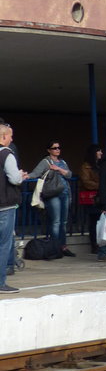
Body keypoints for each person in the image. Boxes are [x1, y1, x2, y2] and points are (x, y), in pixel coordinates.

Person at [29, 141, 74, 256]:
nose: (57, 150)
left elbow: (69, 174)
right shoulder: (46, 162)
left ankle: (63, 247)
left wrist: (58, 169)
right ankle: (54, 248)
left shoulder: (62, 162)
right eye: (54, 148)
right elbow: (35, 173)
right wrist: (25, 176)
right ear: (49, 150)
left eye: (59, 148)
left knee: (63, 222)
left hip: (65, 193)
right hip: (53, 193)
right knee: (56, 221)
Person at [0, 122, 28, 293]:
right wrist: (21, 176)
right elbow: (14, 179)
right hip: (5, 206)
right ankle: (1, 282)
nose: (12, 138)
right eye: (10, 135)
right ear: (3, 137)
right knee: (3, 244)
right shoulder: (7, 155)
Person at [77, 144, 104, 253]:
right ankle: (94, 245)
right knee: (94, 222)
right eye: (99, 151)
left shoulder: (101, 165)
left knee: (101, 221)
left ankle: (100, 244)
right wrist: (101, 185)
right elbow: (86, 182)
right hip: (92, 198)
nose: (101, 153)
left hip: (100, 196)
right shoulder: (86, 166)